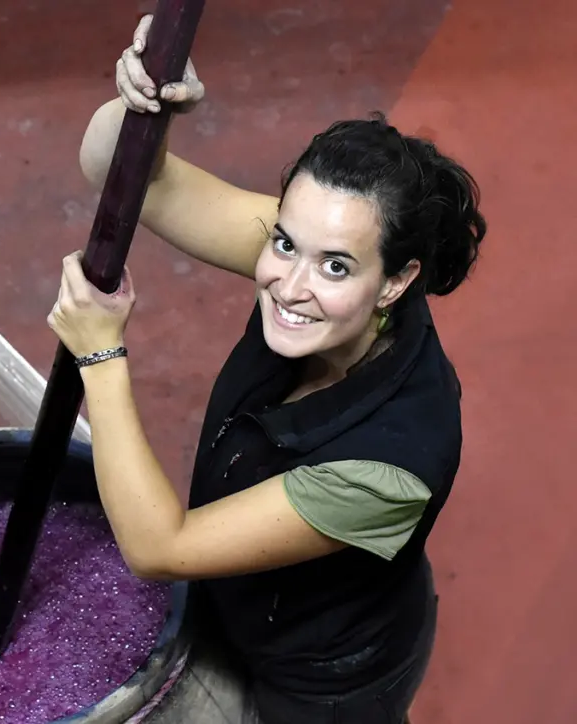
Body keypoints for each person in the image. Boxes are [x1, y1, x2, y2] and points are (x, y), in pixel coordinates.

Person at [46, 14, 486, 724]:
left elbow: (160, 547)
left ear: (398, 282)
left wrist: (101, 354)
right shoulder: (313, 270)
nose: (289, 285)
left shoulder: (390, 470)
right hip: (250, 605)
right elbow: (118, 171)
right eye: (284, 241)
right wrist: (143, 113)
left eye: (335, 266)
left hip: (326, 683)